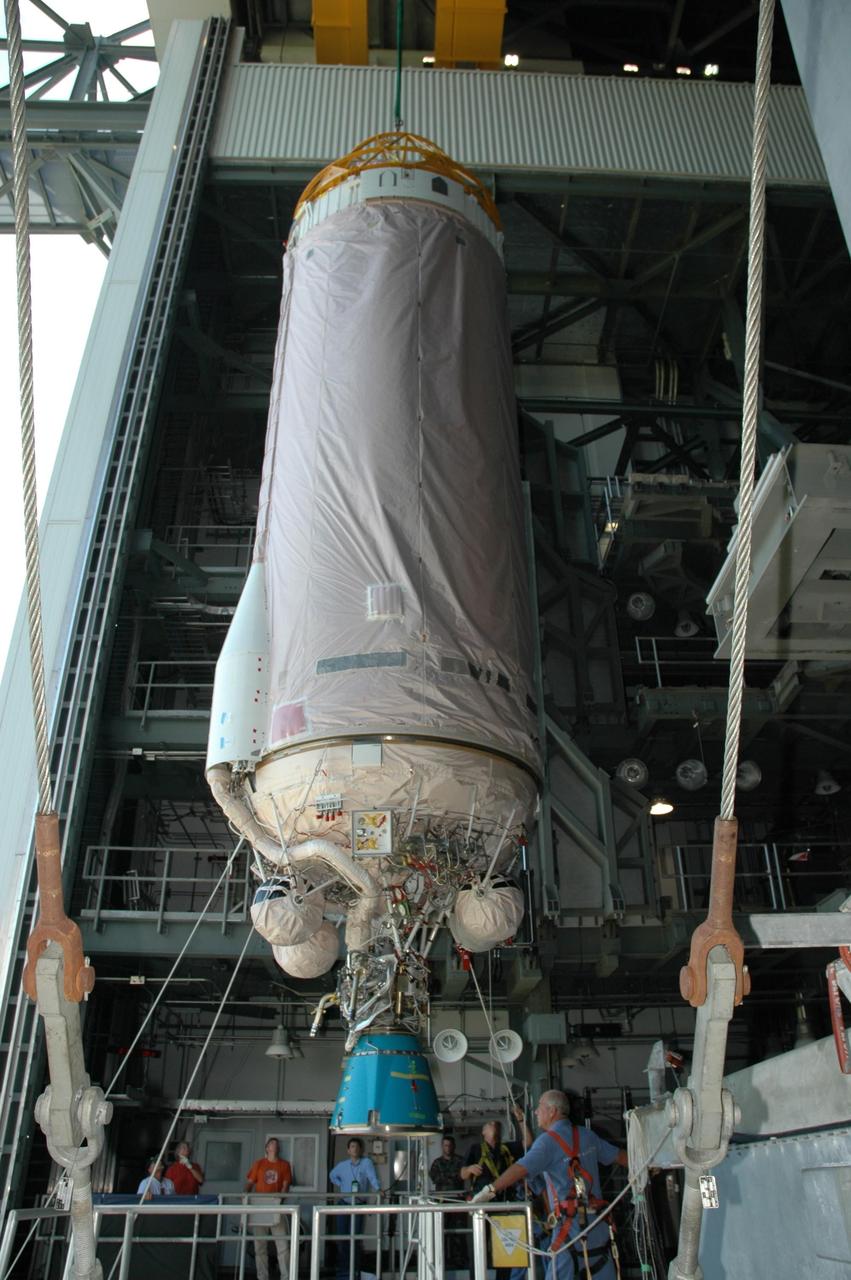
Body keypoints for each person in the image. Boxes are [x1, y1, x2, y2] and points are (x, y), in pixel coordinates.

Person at [471, 1089, 628, 1280]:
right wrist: (649, 1166)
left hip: (570, 1231)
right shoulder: (587, 1135)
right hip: (598, 1226)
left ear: (552, 1111)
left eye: (539, 1107)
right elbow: (621, 1157)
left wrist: (490, 1190)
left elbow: (520, 1168)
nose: (536, 1112)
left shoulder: (547, 1142)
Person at [461, 1119, 523, 1280]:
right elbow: (462, 1174)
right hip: (482, 1204)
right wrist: (470, 1169)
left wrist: (521, 1120)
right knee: (478, 1245)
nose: (493, 1123)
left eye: (495, 1123)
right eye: (489, 1123)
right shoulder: (475, 1149)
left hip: (503, 1204)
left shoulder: (506, 1148)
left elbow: (528, 1143)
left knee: (505, 1247)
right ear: (483, 1132)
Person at [329, 1138, 381, 1280]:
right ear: (348, 1150)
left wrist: (378, 1189)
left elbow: (372, 1177)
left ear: (361, 1150)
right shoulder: (342, 1165)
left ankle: (355, 1271)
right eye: (352, 1146)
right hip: (344, 1204)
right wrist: (340, 1184)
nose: (355, 1149)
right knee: (343, 1238)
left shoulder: (366, 1163)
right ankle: (344, 1272)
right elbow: (332, 1175)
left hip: (358, 1205)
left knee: (356, 1238)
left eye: (357, 1146)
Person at [245, 1137, 293, 1280]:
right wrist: (245, 1199)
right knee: (260, 1245)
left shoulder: (284, 1165)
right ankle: (262, 1277)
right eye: (271, 1143)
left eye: (276, 1143)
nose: (274, 1145)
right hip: (259, 1207)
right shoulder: (259, 1164)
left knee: (283, 1244)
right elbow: (249, 1183)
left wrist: (280, 1202)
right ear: (267, 1148)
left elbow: (285, 1186)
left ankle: (286, 1276)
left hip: (276, 1206)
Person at [429, 1136, 466, 1269]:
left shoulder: (461, 1161)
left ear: (454, 1146)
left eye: (450, 1145)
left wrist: (449, 1177)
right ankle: (442, 1260)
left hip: (457, 1201)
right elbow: (435, 1178)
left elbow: (463, 1176)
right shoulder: (437, 1163)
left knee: (459, 1232)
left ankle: (459, 1260)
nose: (448, 1148)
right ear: (442, 1146)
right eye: (445, 1145)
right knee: (441, 1231)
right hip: (442, 1201)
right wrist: (454, 1176)